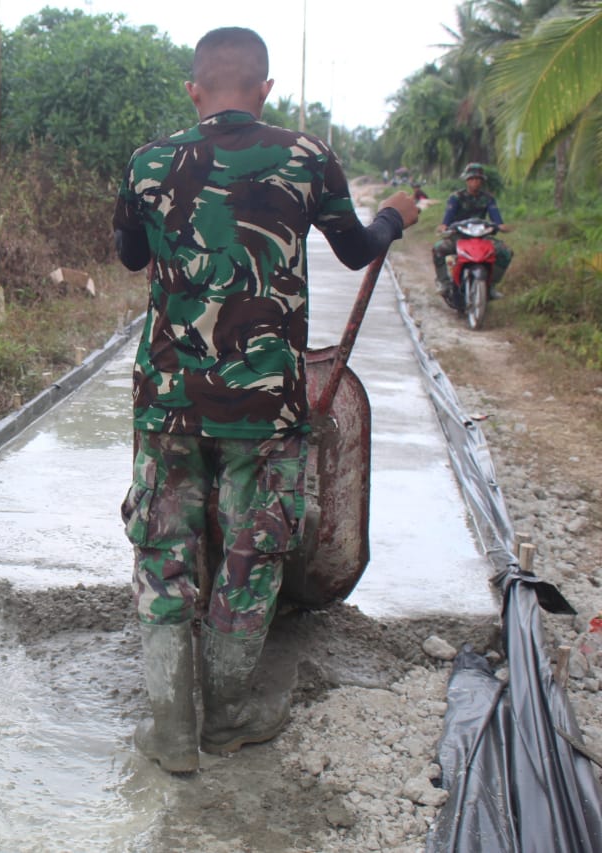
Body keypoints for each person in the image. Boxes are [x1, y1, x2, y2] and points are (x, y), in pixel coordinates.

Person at [112, 26, 418, 774]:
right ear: (266, 89)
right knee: (252, 554)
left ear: (194, 90)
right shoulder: (306, 156)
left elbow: (129, 255)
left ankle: (170, 727)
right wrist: (396, 218)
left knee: (163, 548)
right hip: (265, 407)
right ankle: (228, 715)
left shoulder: (151, 162)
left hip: (169, 400)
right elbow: (355, 248)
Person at [432, 162, 513, 298]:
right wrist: (444, 226)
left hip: (482, 236)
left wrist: (500, 225)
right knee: (438, 249)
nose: (475, 182)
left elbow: (495, 216)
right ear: (466, 180)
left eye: (478, 179)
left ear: (482, 181)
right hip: (458, 235)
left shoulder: (488, 199)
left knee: (505, 252)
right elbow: (448, 216)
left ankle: (492, 285)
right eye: (472, 179)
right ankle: (444, 282)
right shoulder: (456, 197)